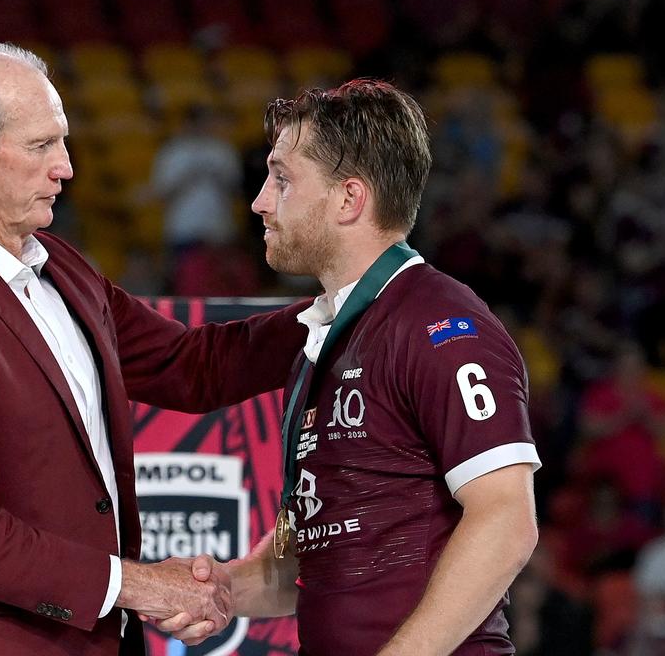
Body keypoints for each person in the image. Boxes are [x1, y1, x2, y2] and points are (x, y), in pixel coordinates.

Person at [0, 42, 307, 656]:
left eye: (61, 143)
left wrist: (348, 311)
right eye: (41, 146)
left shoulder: (58, 264)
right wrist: (137, 585)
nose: (65, 167)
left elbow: (192, 366)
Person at [157, 80, 541, 655]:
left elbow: (507, 521)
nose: (260, 201)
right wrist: (224, 589)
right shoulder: (325, 336)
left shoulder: (441, 324)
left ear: (348, 199)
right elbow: (318, 552)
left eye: (282, 179)